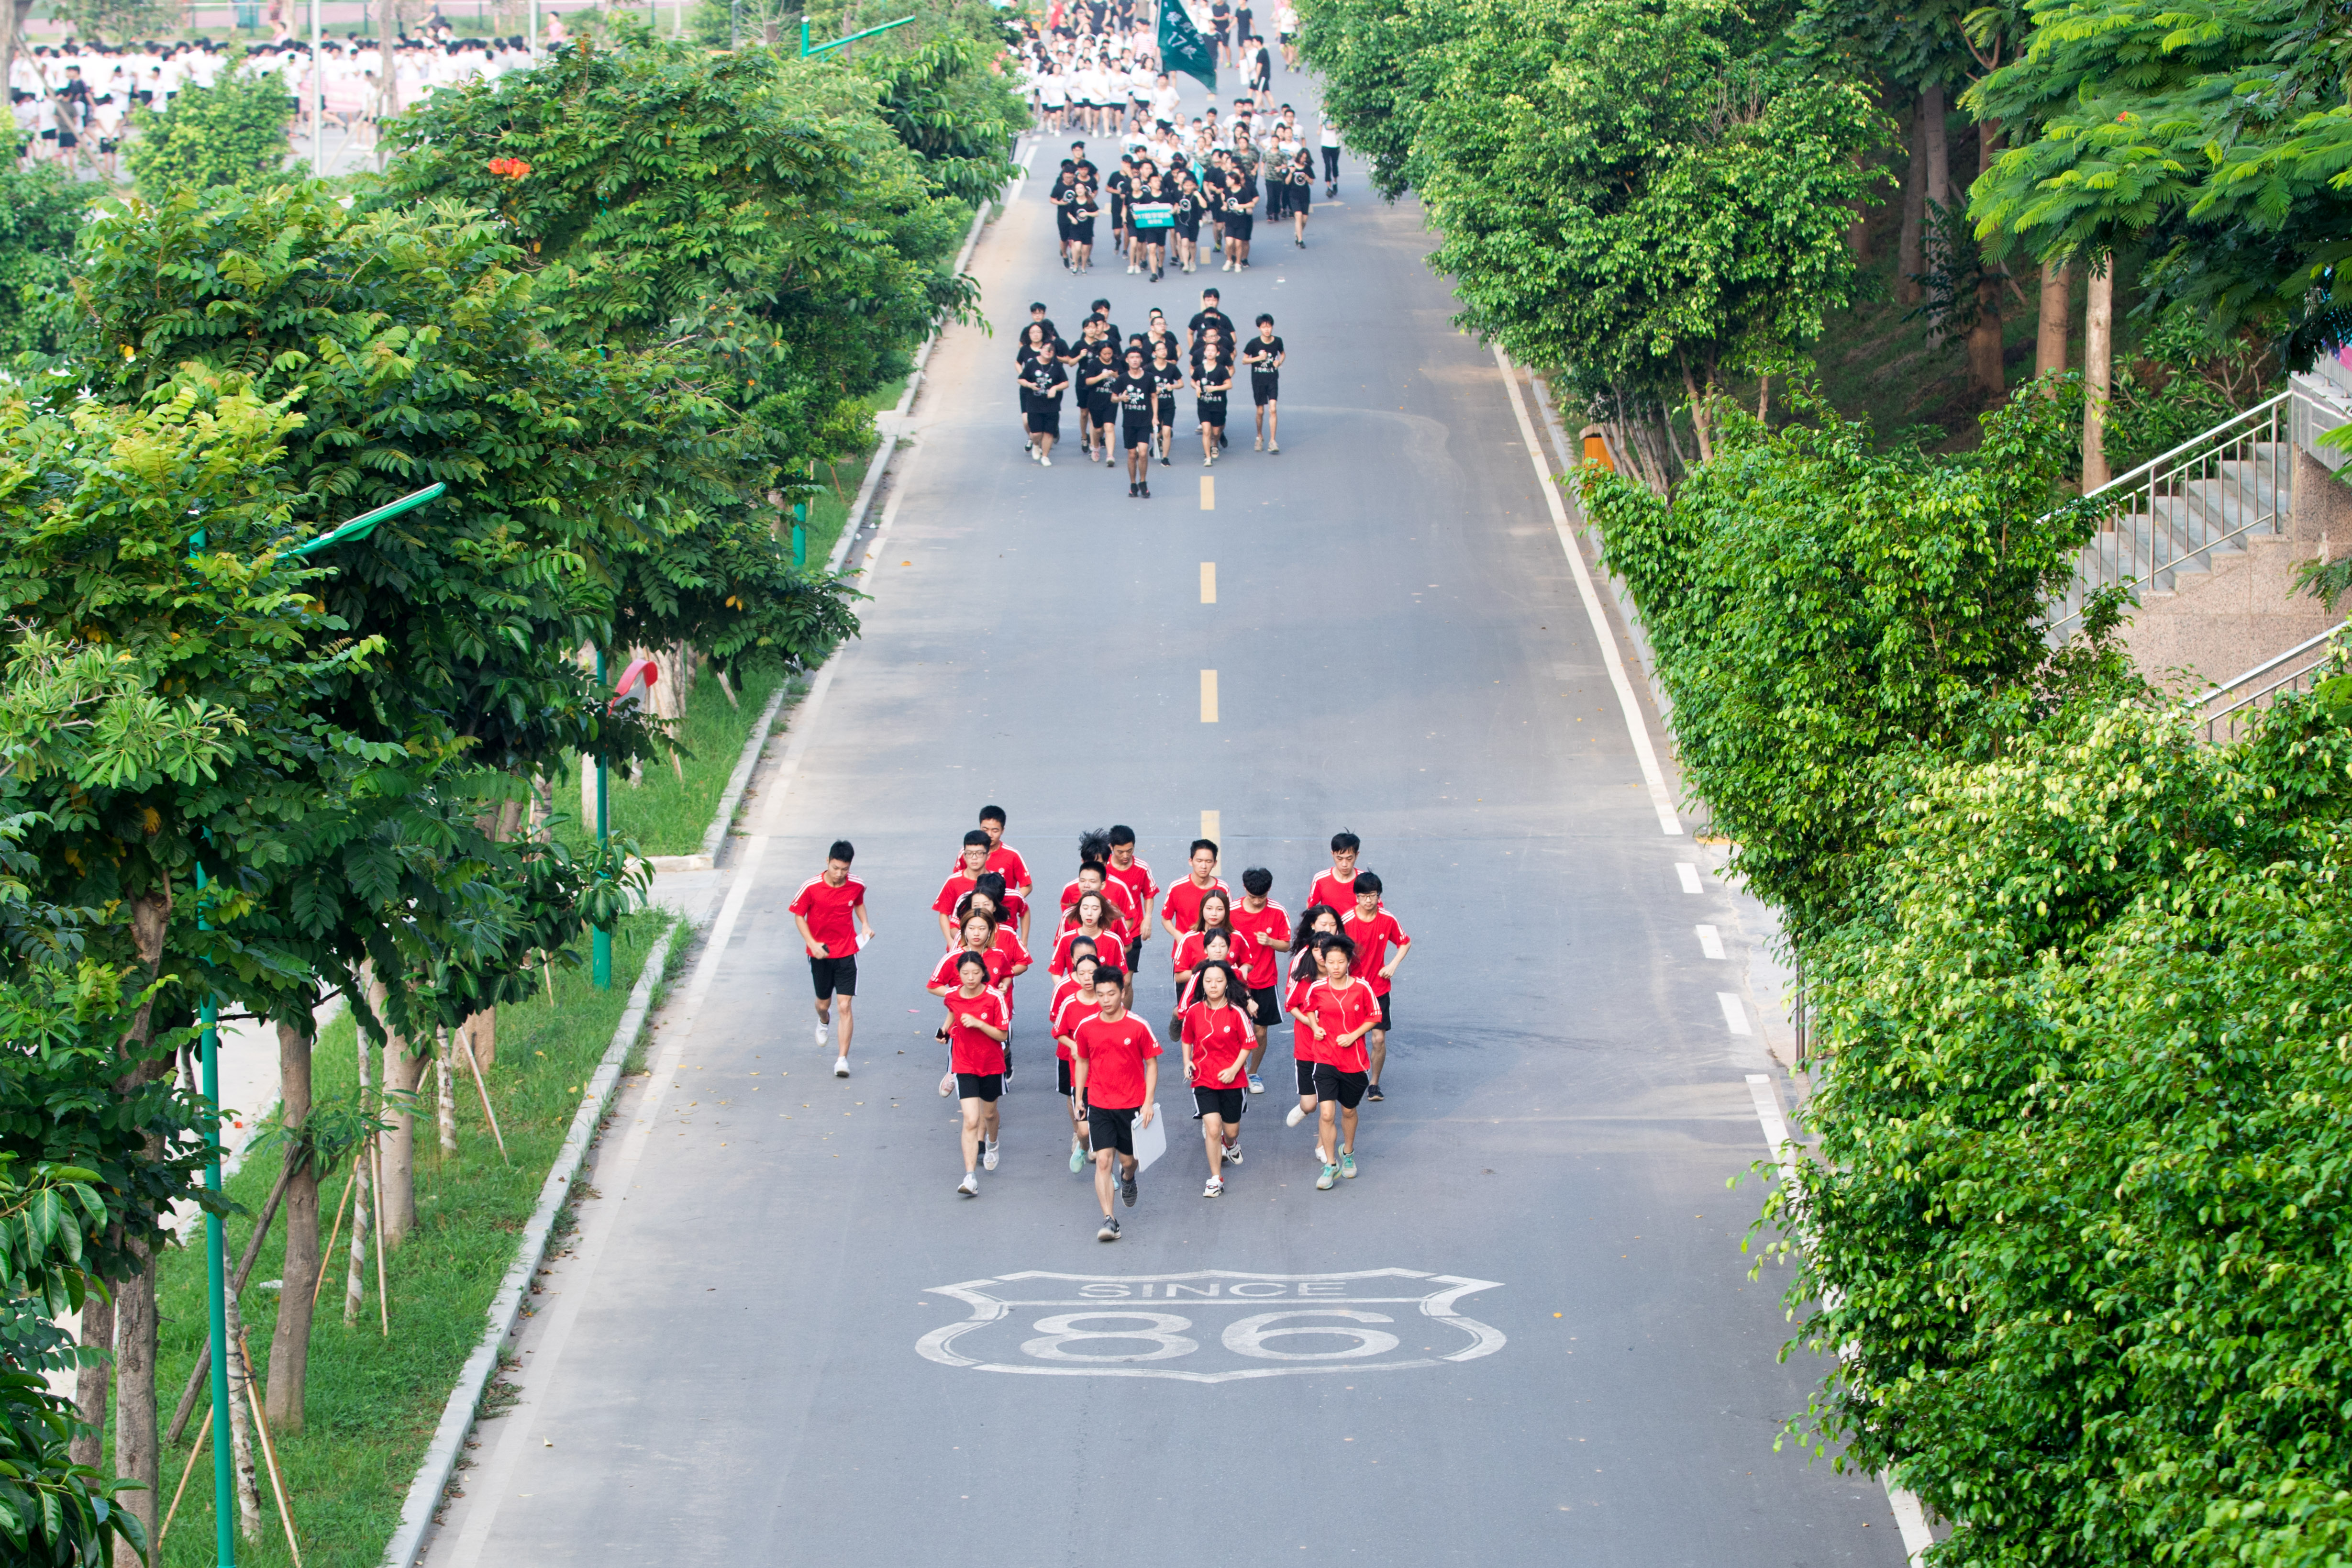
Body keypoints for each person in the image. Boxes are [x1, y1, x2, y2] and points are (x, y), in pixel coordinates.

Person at [1072, 967, 1161, 1242]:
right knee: (1103, 1160)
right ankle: (1110, 1220)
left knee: (1128, 1161)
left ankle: (1129, 1178)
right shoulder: (1087, 1027)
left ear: (1122, 993)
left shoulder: (1138, 1025)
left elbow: (1152, 1064)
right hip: (1099, 1103)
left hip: (1132, 1105)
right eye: (1100, 995)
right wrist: (1079, 1098)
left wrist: (1148, 1102)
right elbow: (1082, 1061)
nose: (1106, 1000)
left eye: (1111, 994)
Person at [1298, 935, 1378, 1188]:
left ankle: (1349, 1153)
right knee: (1326, 1113)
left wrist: (1353, 1036)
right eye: (1331, 962)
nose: (1335, 966)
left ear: (1348, 962)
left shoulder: (1362, 988)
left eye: (1340, 962)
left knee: (1349, 1111)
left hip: (1354, 1061)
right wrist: (1315, 1027)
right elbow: (1308, 1009)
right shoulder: (1317, 988)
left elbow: (1374, 1016)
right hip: (1325, 1057)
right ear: (1324, 962)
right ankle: (1331, 1165)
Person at [788, 839, 872, 1079]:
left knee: (845, 1006)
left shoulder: (857, 884)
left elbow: (858, 903)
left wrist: (865, 925)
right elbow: (799, 916)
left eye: (845, 869)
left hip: (847, 951)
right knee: (823, 1005)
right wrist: (812, 943)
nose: (839, 874)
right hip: (820, 953)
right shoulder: (811, 887)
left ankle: (842, 1059)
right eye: (835, 868)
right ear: (827, 862)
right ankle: (824, 1020)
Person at [1181, 958, 1252, 1196]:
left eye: (1219, 981)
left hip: (1233, 1080)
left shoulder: (1237, 1012)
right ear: (1202, 983)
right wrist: (1187, 1062)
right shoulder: (1194, 1011)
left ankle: (1230, 1144)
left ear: (1226, 983)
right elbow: (1187, 1038)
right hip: (1203, 1078)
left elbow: (1248, 1044)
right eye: (1208, 981)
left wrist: (1233, 1070)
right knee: (1212, 1128)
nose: (1213, 985)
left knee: (1230, 1131)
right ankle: (1215, 1178)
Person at [943, 952, 1011, 1196]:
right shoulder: (952, 995)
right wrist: (943, 1032)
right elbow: (952, 1014)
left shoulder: (994, 998)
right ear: (959, 974)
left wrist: (979, 1023)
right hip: (964, 1064)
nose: (970, 978)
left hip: (991, 1064)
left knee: (989, 1114)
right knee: (971, 1120)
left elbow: (1003, 1035)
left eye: (975, 973)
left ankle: (992, 1143)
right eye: (965, 973)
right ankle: (970, 1176)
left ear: (984, 973)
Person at [1341, 871, 1410, 1100]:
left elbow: (1405, 942)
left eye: (1372, 895)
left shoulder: (1387, 919)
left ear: (1379, 896)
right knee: (1352, 1037)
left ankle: (1374, 1084)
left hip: (1379, 988)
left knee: (1379, 1038)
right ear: (1356, 897)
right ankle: (1351, 1077)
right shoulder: (1346, 921)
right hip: (1352, 987)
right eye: (1363, 896)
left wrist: (1392, 965)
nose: (1368, 901)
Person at [1227, 867, 1291, 1094]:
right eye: (1252, 897)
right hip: (1235, 980)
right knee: (1232, 1028)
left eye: (1261, 897)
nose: (1256, 901)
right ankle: (1236, 1069)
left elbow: (1287, 945)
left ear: (1269, 890)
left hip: (1265, 980)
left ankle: (1252, 1073)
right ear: (1244, 888)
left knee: (1261, 1031)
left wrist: (1270, 942)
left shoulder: (1278, 912)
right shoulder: (1231, 911)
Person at [1281, 904, 1342, 1131]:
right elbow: (1291, 1004)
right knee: (1311, 1104)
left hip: (1334, 1045)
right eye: (1324, 924)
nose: (1323, 954)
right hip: (1307, 1042)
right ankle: (1305, 1107)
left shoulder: (1343, 966)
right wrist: (1313, 1023)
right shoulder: (1303, 970)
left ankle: (1323, 1145)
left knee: (1328, 1106)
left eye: (1333, 925)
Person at [1052, 948, 1104, 1171]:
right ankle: (1083, 1146)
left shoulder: (1107, 1001)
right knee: (1084, 1130)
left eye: (1091, 973)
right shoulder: (1070, 1003)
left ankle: (1106, 1172)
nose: (1087, 978)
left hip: (1105, 1073)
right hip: (1081, 1076)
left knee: (1102, 1127)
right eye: (1082, 973)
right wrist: (1073, 1045)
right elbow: (1058, 1031)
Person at [1104, 826, 1156, 979]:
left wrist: (1148, 918)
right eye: (1120, 852)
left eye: (1130, 850)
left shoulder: (1142, 868)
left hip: (1132, 931)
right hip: (1106, 930)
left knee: (1126, 981)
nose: (1126, 856)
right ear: (1111, 847)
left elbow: (1149, 894)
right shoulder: (1103, 867)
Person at [1111, 345, 1160, 498]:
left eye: (1137, 358)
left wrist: (1155, 417)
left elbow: (1154, 397)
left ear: (1141, 360)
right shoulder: (1122, 379)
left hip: (1145, 421)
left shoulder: (1149, 377)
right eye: (1132, 358)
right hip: (1129, 422)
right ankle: (1133, 483)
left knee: (1143, 453)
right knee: (1132, 454)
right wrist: (1121, 398)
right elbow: (1113, 398)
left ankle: (1143, 482)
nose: (1135, 360)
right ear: (1127, 360)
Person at [1160, 838, 1230, 943]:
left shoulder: (1223, 888)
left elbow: (1229, 919)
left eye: (1208, 862)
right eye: (1199, 861)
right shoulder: (1176, 887)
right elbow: (1166, 919)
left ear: (1215, 863)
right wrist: (1178, 935)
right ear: (1191, 861)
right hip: (1185, 947)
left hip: (1214, 948)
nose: (1204, 866)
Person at [934, 831, 996, 947]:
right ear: (964, 856)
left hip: (990, 945)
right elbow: (944, 914)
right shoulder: (953, 881)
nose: (974, 858)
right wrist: (951, 941)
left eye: (979, 853)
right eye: (969, 854)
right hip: (961, 945)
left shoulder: (995, 880)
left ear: (988, 855)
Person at [1242, 313, 1285, 453]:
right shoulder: (1254, 343)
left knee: (1273, 409)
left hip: (1272, 379)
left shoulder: (1278, 341)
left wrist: (1280, 362)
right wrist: (1258, 358)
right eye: (1264, 327)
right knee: (1260, 411)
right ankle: (1260, 436)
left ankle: (1273, 441)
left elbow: (1283, 354)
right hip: (1258, 381)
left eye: (1269, 327)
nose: (1267, 330)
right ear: (1259, 328)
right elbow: (1244, 360)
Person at [1308, 830, 1368, 914]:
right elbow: (1311, 908)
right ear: (1332, 854)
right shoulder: (1320, 879)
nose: (1344, 864)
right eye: (1340, 859)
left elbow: (1376, 911)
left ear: (1357, 855)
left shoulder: (1366, 881)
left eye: (1349, 859)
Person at [1195, 342, 1232, 465]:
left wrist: (1215, 388)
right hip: (1204, 405)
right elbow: (1193, 381)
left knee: (1216, 432)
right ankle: (1208, 457)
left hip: (1218, 405)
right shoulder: (1199, 369)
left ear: (1217, 353)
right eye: (1208, 350)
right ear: (1205, 353)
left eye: (1213, 350)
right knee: (1206, 431)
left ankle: (1215, 444)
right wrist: (1196, 386)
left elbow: (1229, 385)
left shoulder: (1222, 369)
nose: (1210, 353)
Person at [1151, 339, 1187, 466]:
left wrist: (1173, 386)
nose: (1163, 351)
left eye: (1164, 349)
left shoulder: (1172, 368)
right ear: (1154, 353)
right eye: (1160, 349)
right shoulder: (1149, 369)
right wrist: (1153, 390)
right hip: (1153, 406)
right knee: (1155, 435)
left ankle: (1165, 458)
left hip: (1168, 405)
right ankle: (1156, 443)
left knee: (1166, 432)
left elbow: (1181, 384)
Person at [1285, 148, 1314, 247]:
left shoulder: (1307, 168)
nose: (1303, 159)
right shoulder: (1292, 167)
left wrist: (1306, 177)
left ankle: (1298, 233)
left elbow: (1312, 182)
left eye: (1305, 158)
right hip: (1294, 195)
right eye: (1301, 157)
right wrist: (1291, 173)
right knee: (1298, 215)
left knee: (1304, 220)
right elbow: (1287, 182)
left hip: (1305, 195)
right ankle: (1300, 240)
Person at [1320, 111, 1342, 195]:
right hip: (1325, 144)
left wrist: (1337, 125)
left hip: (1336, 144)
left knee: (1335, 165)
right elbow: (1323, 125)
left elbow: (1345, 125)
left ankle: (1335, 182)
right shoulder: (1322, 113)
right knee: (1328, 166)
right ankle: (1329, 187)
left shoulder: (1339, 112)